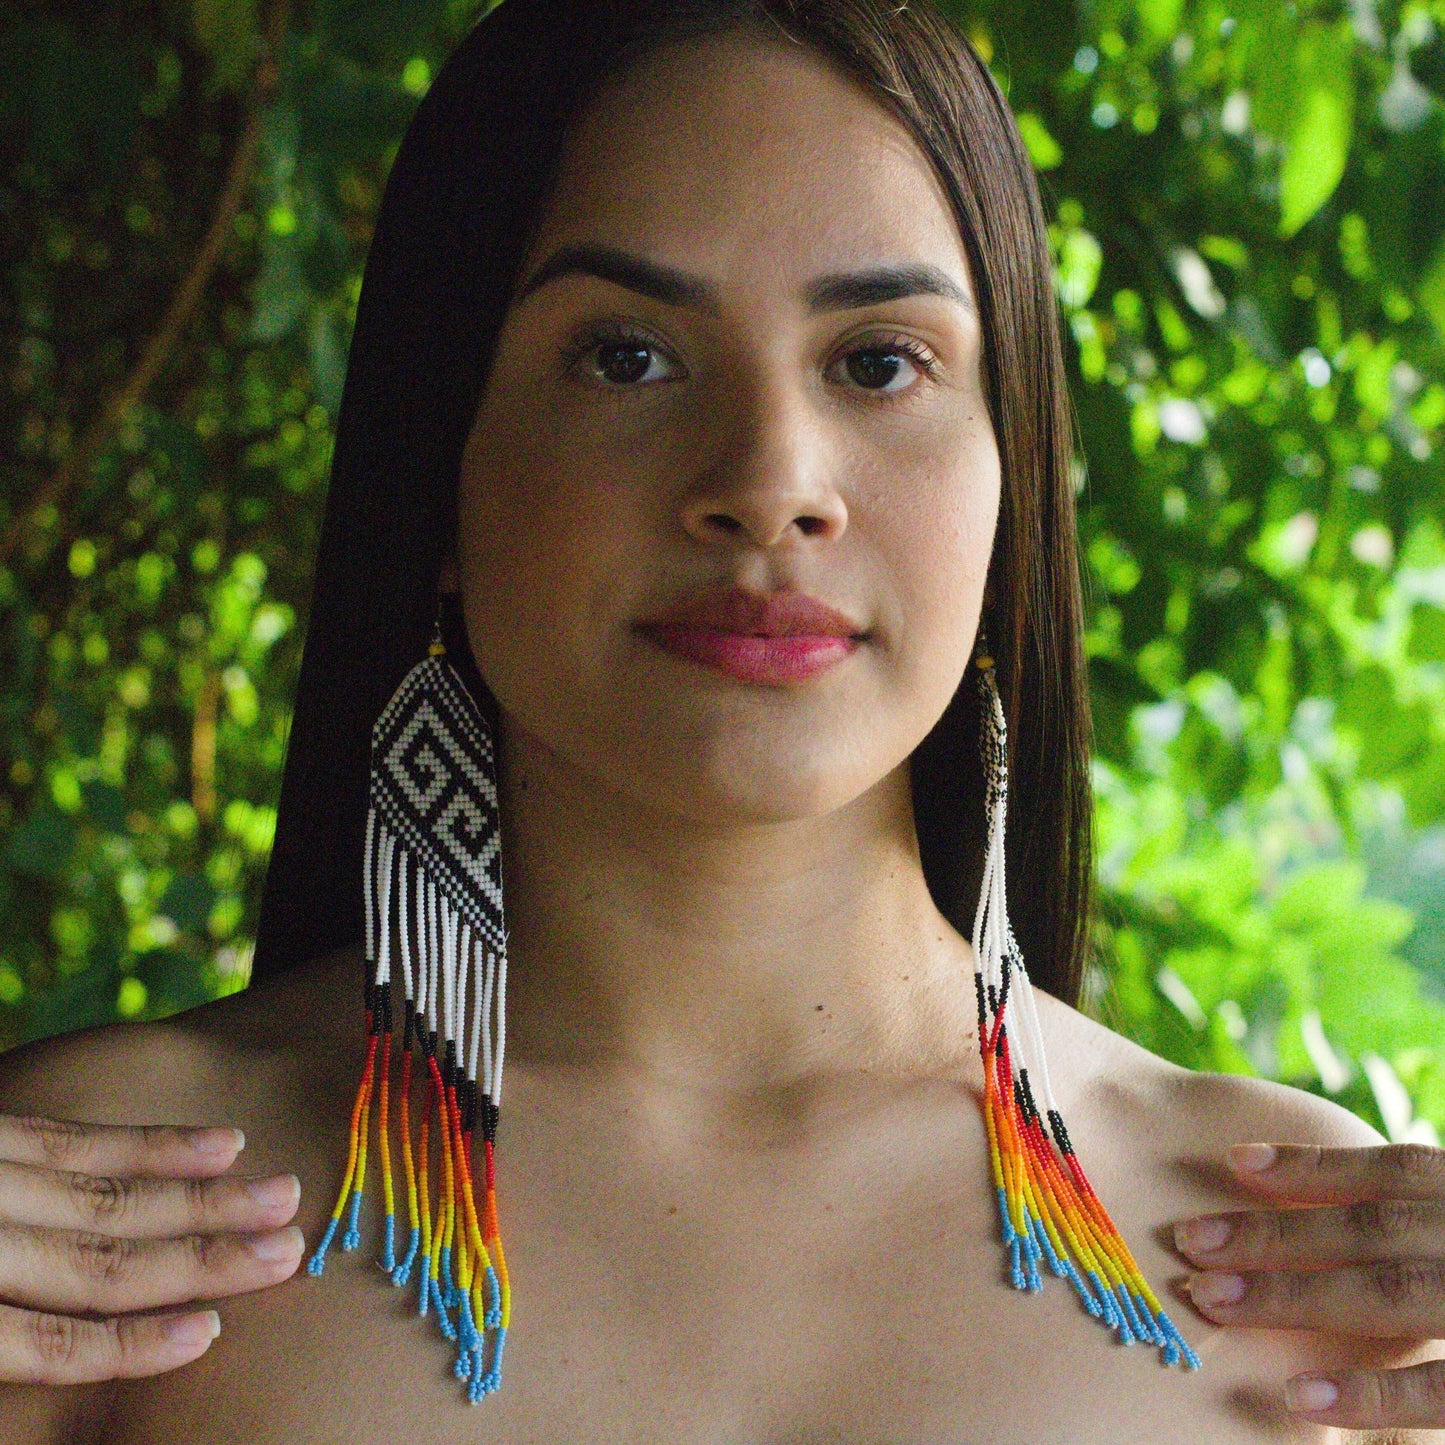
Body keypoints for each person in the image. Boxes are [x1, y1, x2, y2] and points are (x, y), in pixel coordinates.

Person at [0, 0, 1441, 1440]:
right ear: (440, 461)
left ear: (1011, 481)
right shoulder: (86, 1218)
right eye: (625, 355)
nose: (770, 477)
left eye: (878, 361)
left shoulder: (1313, 1261)